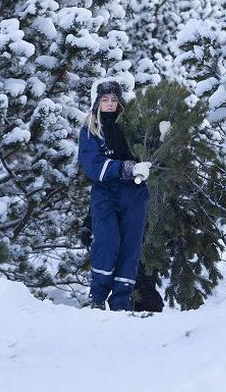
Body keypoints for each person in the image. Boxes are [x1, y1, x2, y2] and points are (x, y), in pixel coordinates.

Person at [78, 79, 151, 311]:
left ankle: (121, 301)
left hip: (135, 193)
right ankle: (98, 297)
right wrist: (123, 168)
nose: (110, 104)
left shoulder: (131, 126)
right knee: (107, 241)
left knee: (131, 247)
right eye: (105, 100)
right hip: (106, 193)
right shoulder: (90, 131)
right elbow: (92, 164)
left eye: (114, 100)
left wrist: (161, 135)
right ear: (97, 102)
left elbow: (148, 148)